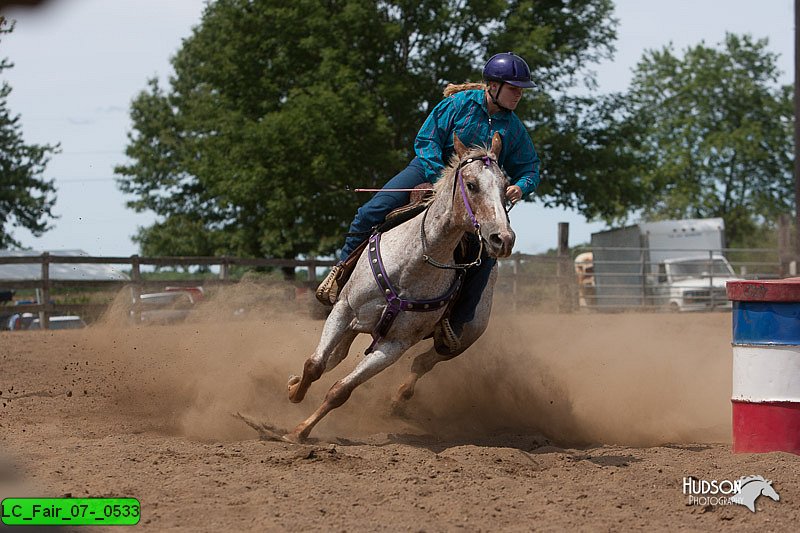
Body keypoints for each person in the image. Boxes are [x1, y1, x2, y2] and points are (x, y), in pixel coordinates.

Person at [317, 51, 541, 352]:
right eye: (514, 88)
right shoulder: (456, 105)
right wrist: (443, 179)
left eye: (521, 90)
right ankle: (341, 275)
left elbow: (530, 168)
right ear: (492, 86)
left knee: (487, 256)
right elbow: (427, 141)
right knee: (369, 212)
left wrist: (521, 186)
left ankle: (455, 321)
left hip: (473, 197)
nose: (519, 95)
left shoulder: (513, 129)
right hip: (427, 170)